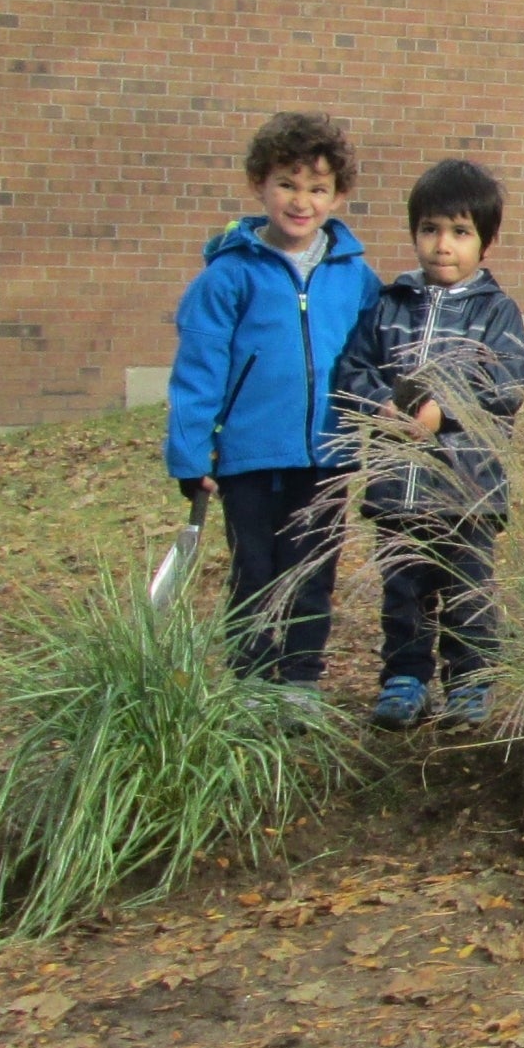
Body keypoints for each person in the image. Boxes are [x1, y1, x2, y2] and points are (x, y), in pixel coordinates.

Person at [164, 111, 381, 694]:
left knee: (311, 575)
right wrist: (191, 454)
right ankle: (253, 685)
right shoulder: (229, 277)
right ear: (260, 184)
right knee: (255, 574)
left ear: (338, 196)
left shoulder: (355, 278)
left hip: (327, 455)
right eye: (287, 184)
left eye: (317, 188)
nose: (301, 201)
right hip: (250, 459)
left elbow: (374, 356)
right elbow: (199, 371)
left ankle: (300, 683)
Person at [340, 159, 524, 730]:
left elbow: (508, 384)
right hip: (398, 483)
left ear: (486, 242)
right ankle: (405, 679)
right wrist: (380, 402)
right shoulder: (389, 304)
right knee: (403, 589)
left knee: (468, 590)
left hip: (466, 487)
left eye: (459, 231)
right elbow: (352, 368)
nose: (442, 245)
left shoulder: (495, 312)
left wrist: (442, 412)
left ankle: (470, 683)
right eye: (430, 230)